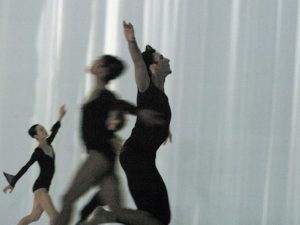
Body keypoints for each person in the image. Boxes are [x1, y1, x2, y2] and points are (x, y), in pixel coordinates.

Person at [54, 55, 165, 225]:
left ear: (103, 70)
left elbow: (121, 105)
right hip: (106, 158)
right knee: (118, 211)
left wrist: (140, 112)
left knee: (68, 199)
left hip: (99, 156)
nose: (93, 62)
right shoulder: (100, 95)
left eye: (98, 62)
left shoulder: (105, 97)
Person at [119, 21, 172, 225]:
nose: (167, 59)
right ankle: (108, 215)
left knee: (160, 218)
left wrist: (164, 129)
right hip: (136, 158)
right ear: (153, 67)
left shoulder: (159, 93)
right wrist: (132, 41)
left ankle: (109, 215)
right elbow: (138, 62)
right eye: (161, 57)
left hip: (144, 159)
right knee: (155, 218)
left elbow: (156, 115)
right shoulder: (146, 86)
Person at [3, 105, 66, 225]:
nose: (44, 130)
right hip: (40, 188)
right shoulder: (38, 152)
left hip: (44, 187)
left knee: (33, 217)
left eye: (43, 128)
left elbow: (55, 130)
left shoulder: (48, 143)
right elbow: (25, 167)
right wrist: (12, 183)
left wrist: (61, 116)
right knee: (54, 216)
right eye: (41, 130)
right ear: (36, 136)